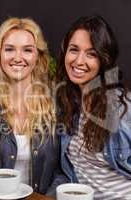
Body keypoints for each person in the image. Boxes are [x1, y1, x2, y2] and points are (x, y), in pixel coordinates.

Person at [0, 17, 67, 196]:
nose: (18, 57)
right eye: (9, 49)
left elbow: (63, 171)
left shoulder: (56, 107)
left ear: (38, 57)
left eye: (27, 50)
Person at [56, 15, 131, 199]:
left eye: (91, 54)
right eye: (74, 50)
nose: (79, 61)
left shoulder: (121, 109)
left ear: (104, 60)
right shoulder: (67, 102)